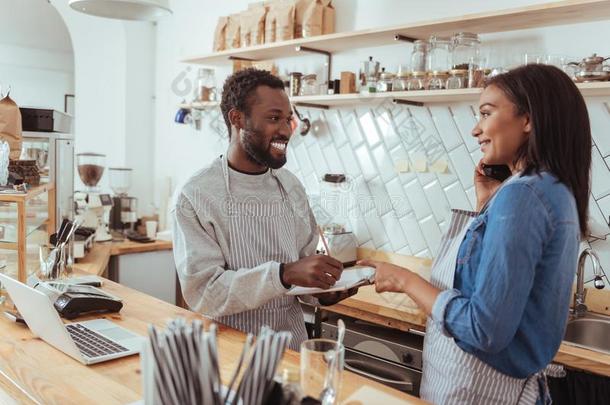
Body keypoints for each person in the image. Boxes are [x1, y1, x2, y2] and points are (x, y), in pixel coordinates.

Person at [359, 64, 590, 404]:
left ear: (528, 120)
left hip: (478, 392)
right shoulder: (551, 190)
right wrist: (486, 205)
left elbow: (484, 330)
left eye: (486, 113)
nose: (475, 129)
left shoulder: (523, 195)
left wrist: (404, 280)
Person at [172, 68, 355, 350]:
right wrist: (283, 274)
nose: (285, 130)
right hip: (227, 353)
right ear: (237, 119)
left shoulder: (291, 187)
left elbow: (302, 274)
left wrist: (325, 290)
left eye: (287, 119)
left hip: (291, 351)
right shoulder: (197, 195)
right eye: (273, 118)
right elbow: (204, 294)